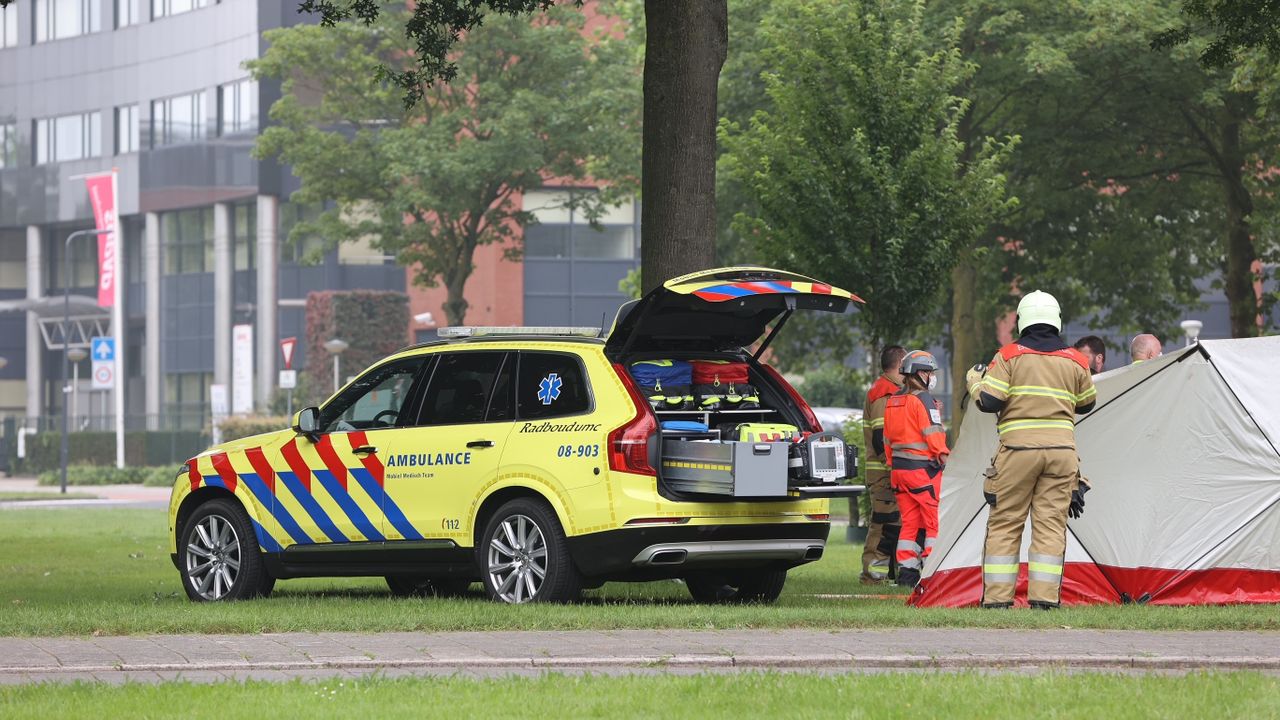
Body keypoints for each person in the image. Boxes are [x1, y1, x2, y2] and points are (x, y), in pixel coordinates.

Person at [966, 291, 1096, 609]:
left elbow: (990, 401)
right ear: (1056, 319)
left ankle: (997, 601)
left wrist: (975, 383)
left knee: (1006, 522)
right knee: (1050, 524)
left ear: (1023, 320)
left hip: (1017, 451)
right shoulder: (1076, 359)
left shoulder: (1009, 355)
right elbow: (1087, 403)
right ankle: (1044, 601)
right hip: (1062, 455)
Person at [882, 350, 949, 588]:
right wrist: (945, 457)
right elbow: (934, 435)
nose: (932, 377)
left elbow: (887, 440)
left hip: (899, 473)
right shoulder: (924, 400)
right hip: (924, 472)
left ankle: (907, 576)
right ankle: (931, 577)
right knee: (933, 524)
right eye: (929, 372)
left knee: (910, 524)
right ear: (919, 373)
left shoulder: (893, 401)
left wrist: (893, 463)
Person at [860, 345, 906, 583]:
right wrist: (894, 468)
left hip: (889, 472)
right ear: (900, 365)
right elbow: (881, 439)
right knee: (884, 524)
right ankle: (872, 576)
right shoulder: (883, 393)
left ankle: (890, 574)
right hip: (884, 474)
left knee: (894, 524)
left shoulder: (892, 391)